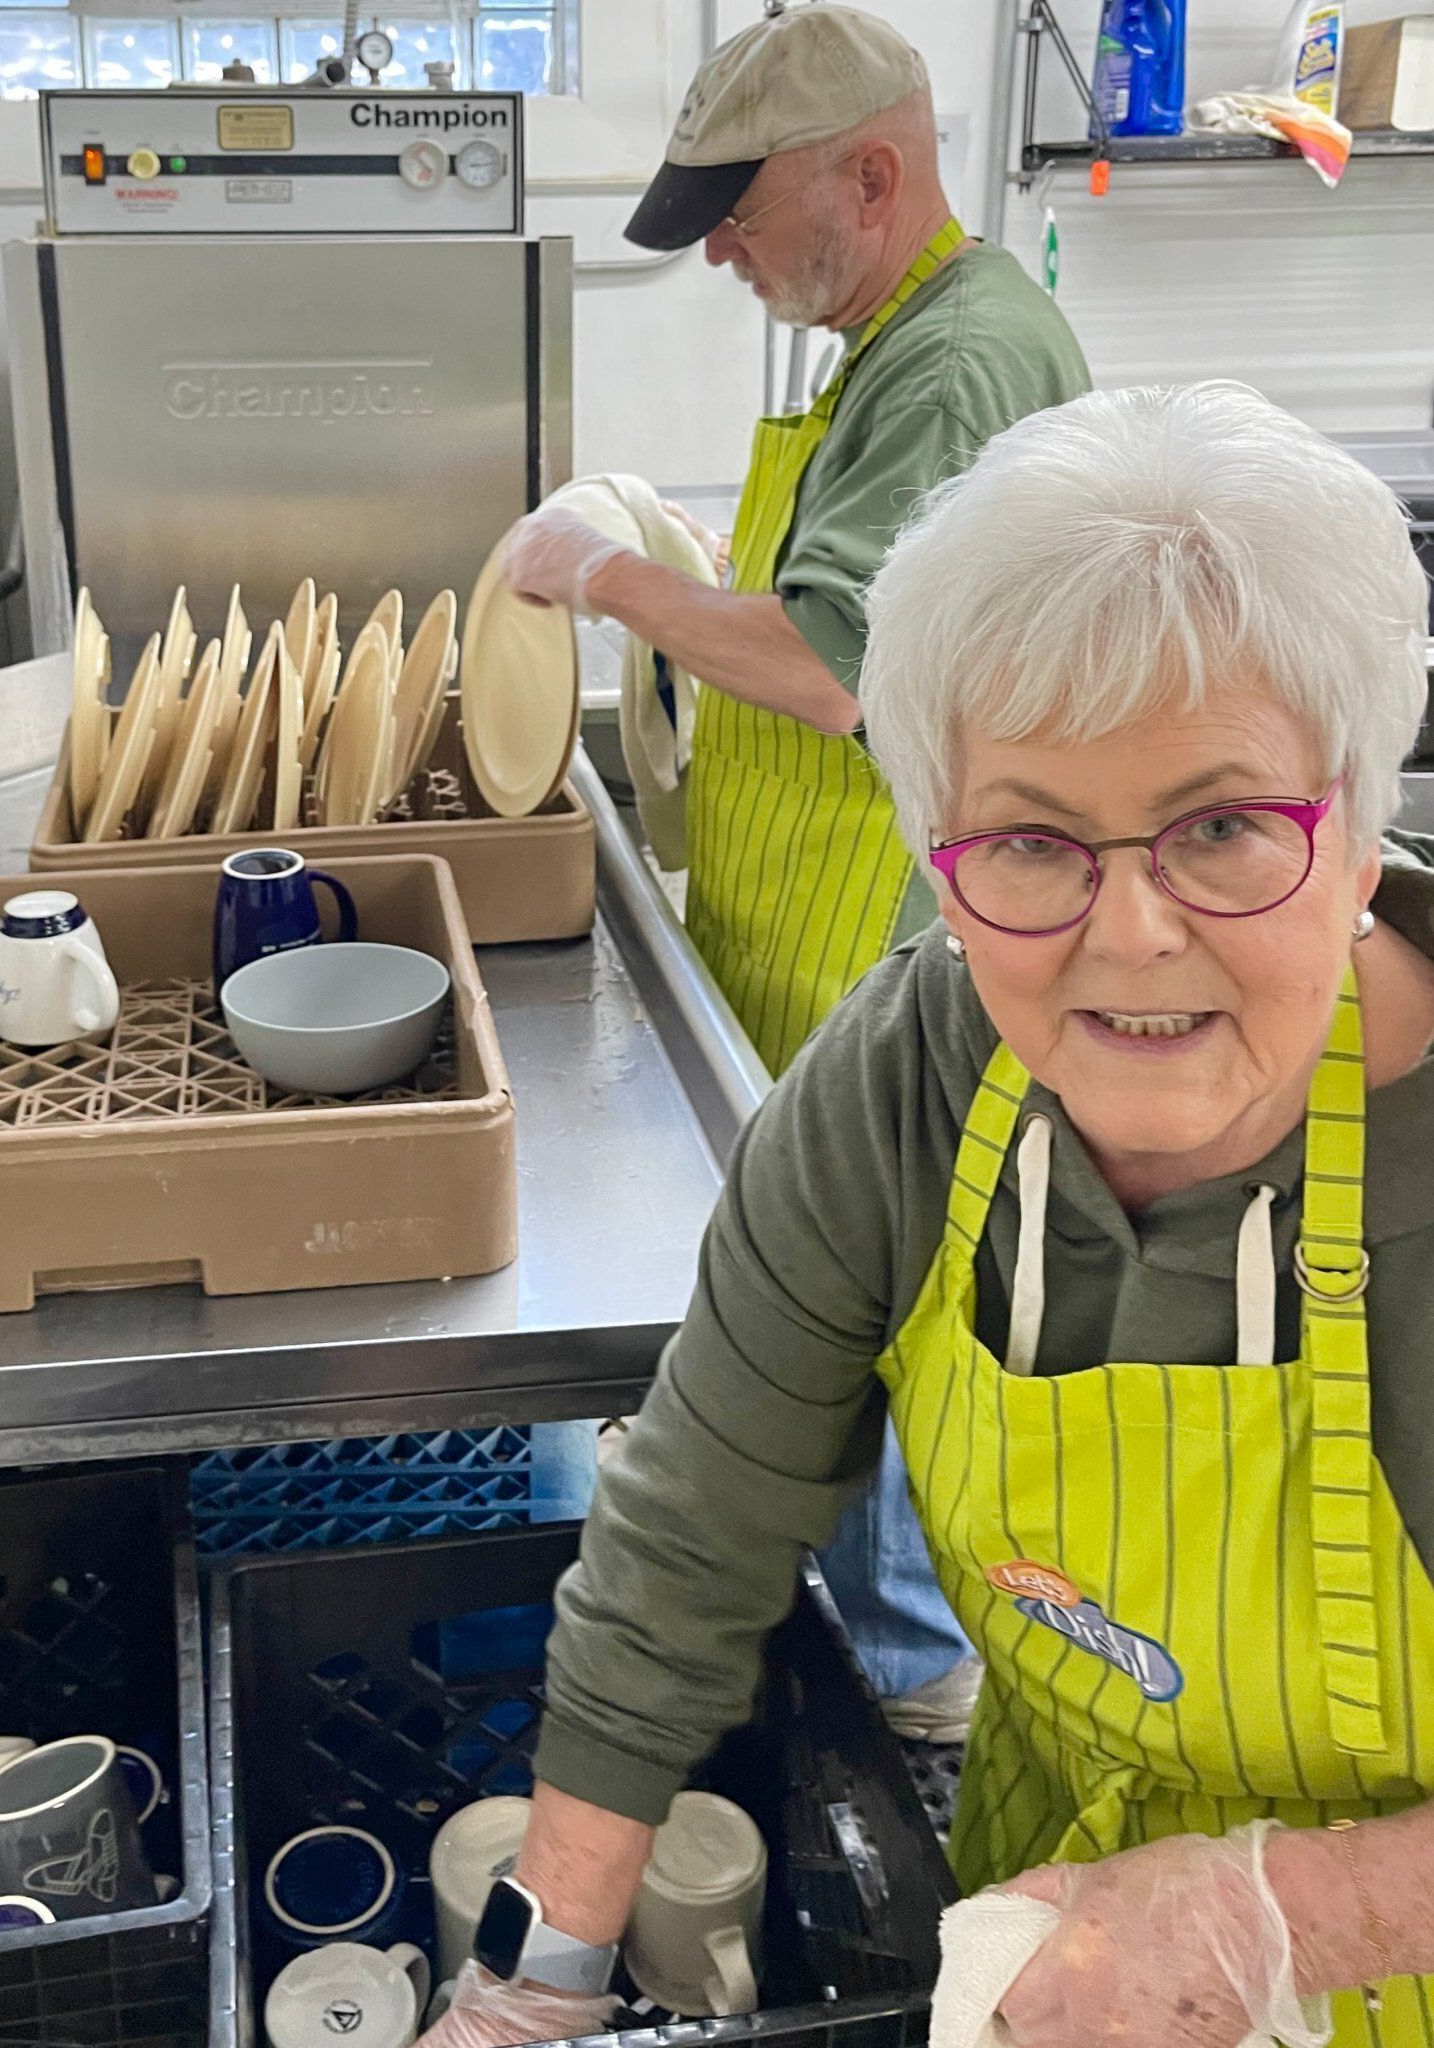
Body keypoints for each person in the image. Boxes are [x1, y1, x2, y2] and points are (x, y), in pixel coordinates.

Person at [431, 384, 1434, 2048]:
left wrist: (1286, 1908)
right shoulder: (908, 1084)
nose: (1130, 935)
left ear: (1354, 823)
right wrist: (524, 1978)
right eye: (1031, 838)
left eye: (1223, 828)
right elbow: (688, 1539)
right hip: (1046, 1933)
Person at [504, 4, 1090, 1080]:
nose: (723, 252)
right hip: (807, 905)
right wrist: (727, 573)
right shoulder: (909, 334)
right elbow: (885, 594)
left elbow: (832, 671)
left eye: (741, 213)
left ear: (871, 179)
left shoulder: (947, 368)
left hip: (868, 928)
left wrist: (599, 572)